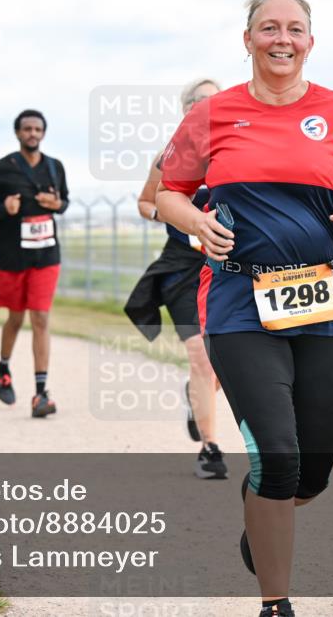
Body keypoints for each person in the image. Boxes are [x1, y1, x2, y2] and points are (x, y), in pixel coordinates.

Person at [156, 0, 333, 617]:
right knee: (281, 458)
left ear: (310, 42)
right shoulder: (211, 115)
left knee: (309, 474)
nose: (281, 39)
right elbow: (169, 191)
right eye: (268, 28)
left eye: (294, 29)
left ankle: (261, 515)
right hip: (238, 304)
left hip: (323, 304)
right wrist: (194, 222)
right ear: (247, 39)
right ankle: (275, 603)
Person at [126, 78, 227, 480]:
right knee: (201, 356)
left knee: (222, 362)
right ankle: (210, 449)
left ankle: (195, 399)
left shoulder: (236, 152)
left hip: (228, 268)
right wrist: (173, 216)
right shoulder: (168, 156)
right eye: (199, 101)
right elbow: (145, 201)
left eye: (214, 101)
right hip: (184, 267)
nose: (207, 106)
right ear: (186, 110)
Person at [0, 109, 69, 418]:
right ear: (17, 133)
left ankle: (40, 394)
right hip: (12, 256)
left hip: (46, 254)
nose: (32, 133)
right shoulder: (1, 169)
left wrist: (58, 205)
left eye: (38, 129)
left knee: (40, 316)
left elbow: (63, 201)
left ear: (43, 133)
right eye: (27, 129)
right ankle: (3, 367)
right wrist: (2, 208)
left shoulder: (55, 167)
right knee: (16, 317)